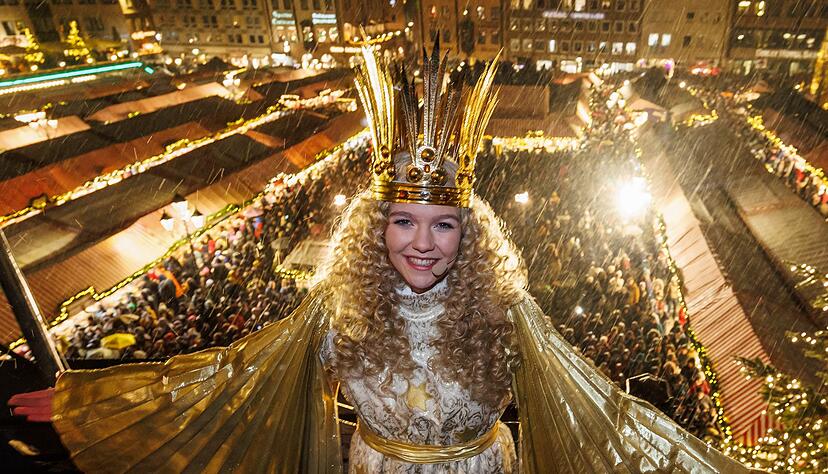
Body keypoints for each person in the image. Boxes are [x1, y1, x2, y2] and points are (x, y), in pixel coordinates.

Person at [9, 44, 757, 473]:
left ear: (473, 230)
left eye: (444, 224)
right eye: (404, 219)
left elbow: (602, 413)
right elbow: (227, 377)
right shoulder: (340, 310)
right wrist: (92, 402)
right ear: (377, 222)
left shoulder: (507, 310)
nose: (423, 243)